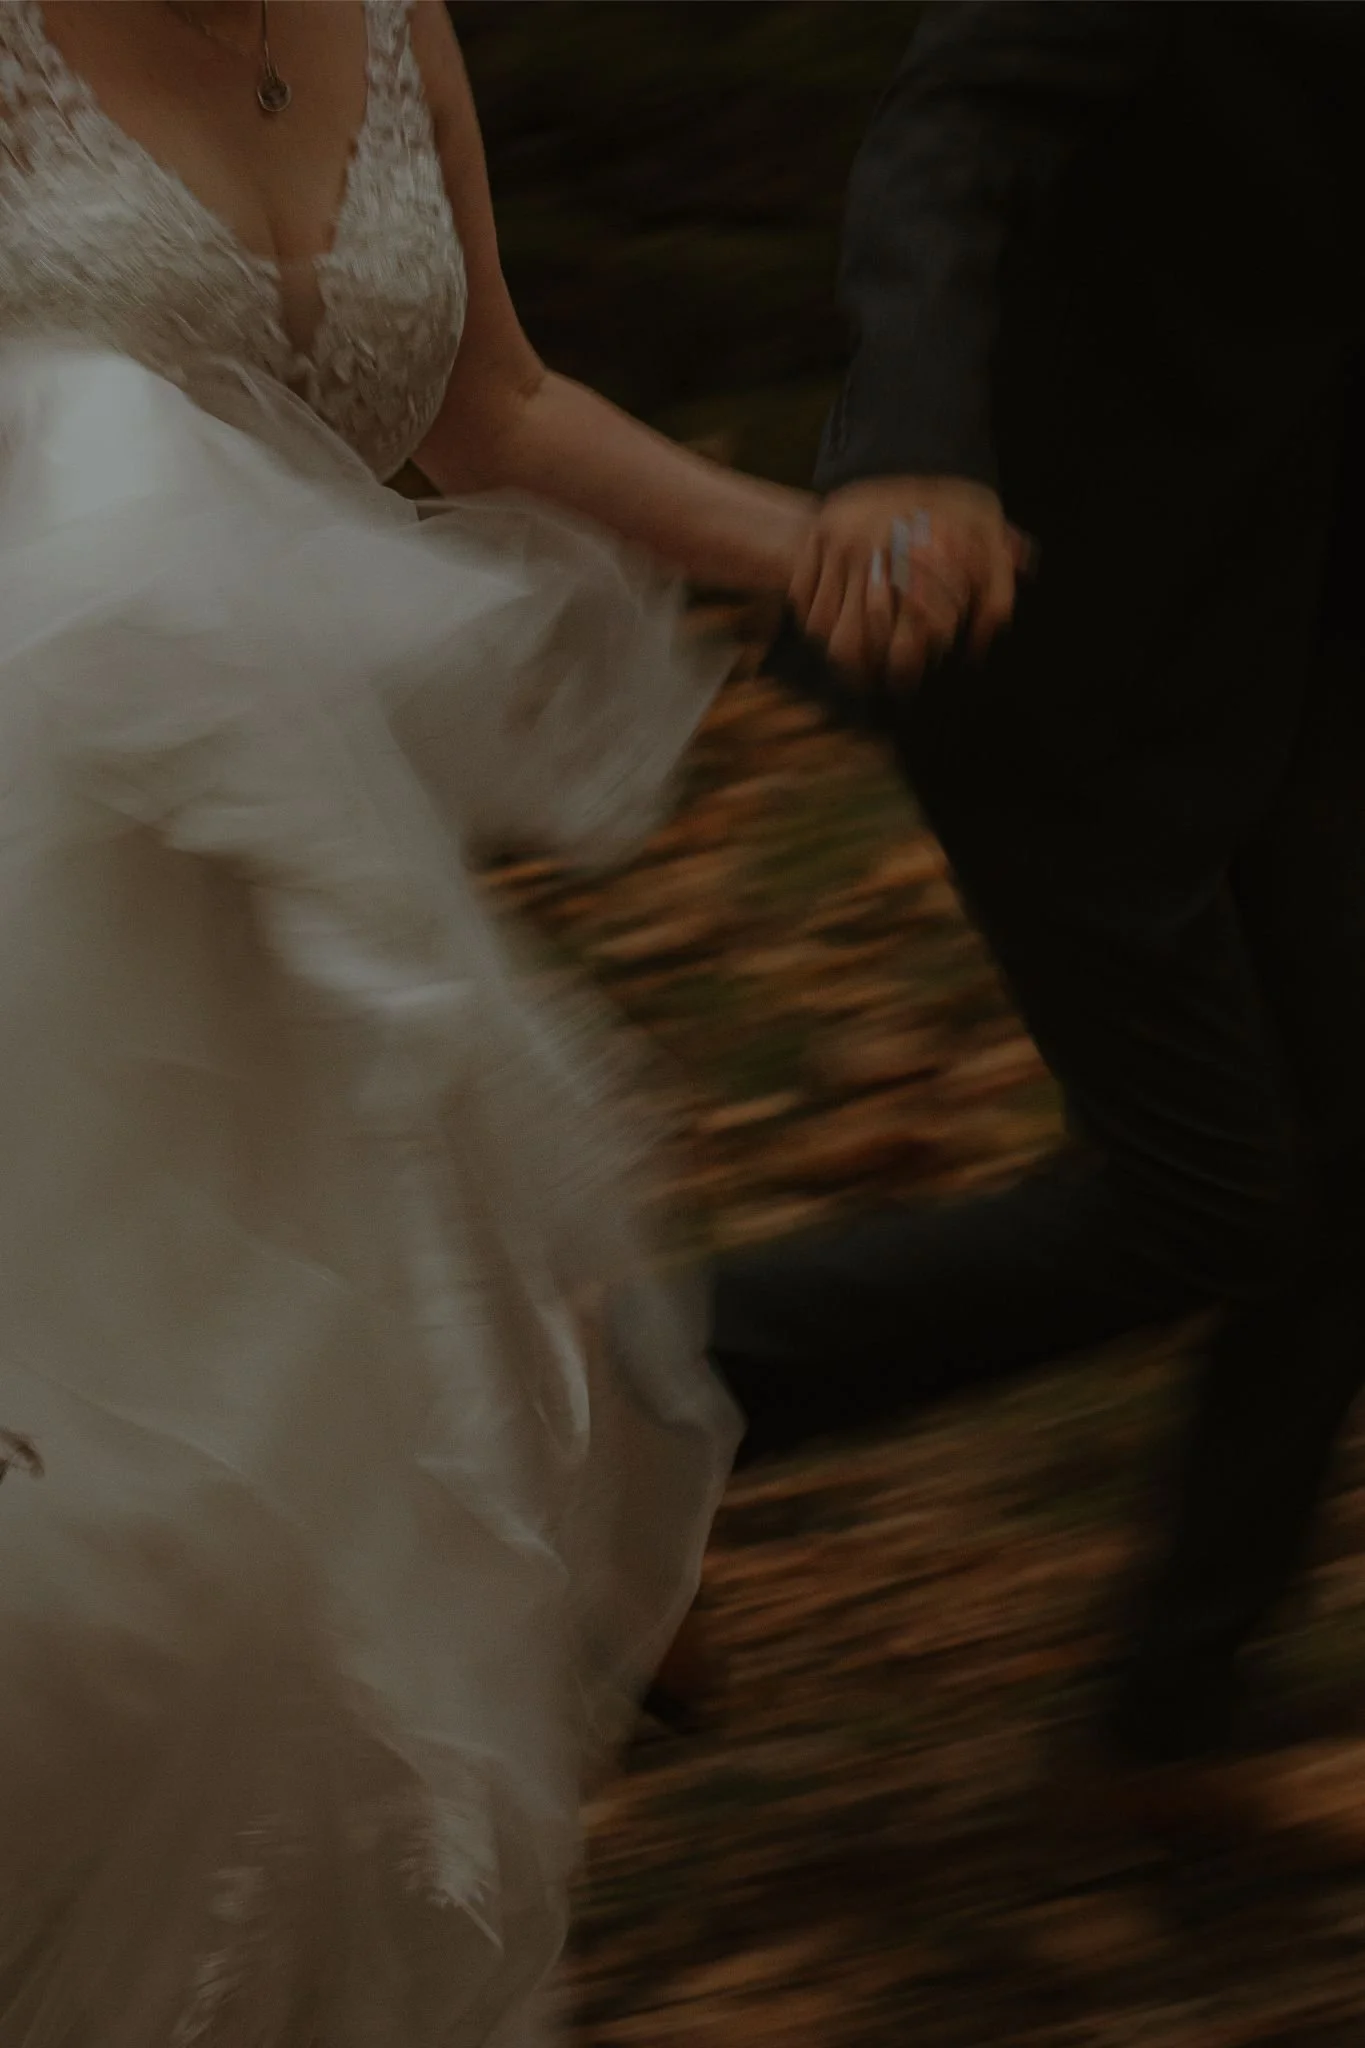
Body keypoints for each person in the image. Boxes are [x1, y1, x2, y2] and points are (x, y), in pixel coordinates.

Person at [0, 3, 886, 2040]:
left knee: (336, 1597)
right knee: (110, 1576)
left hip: (337, 933)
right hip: (48, 913)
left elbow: (488, 407)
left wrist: (805, 544)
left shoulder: (393, 20)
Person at [711, 0, 1365, 1823]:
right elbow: (948, 135)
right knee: (1209, 1196)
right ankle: (649, 1380)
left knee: (1348, 1174)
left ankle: (1180, 1710)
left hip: (1299, 619)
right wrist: (910, 443)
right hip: (1031, 610)